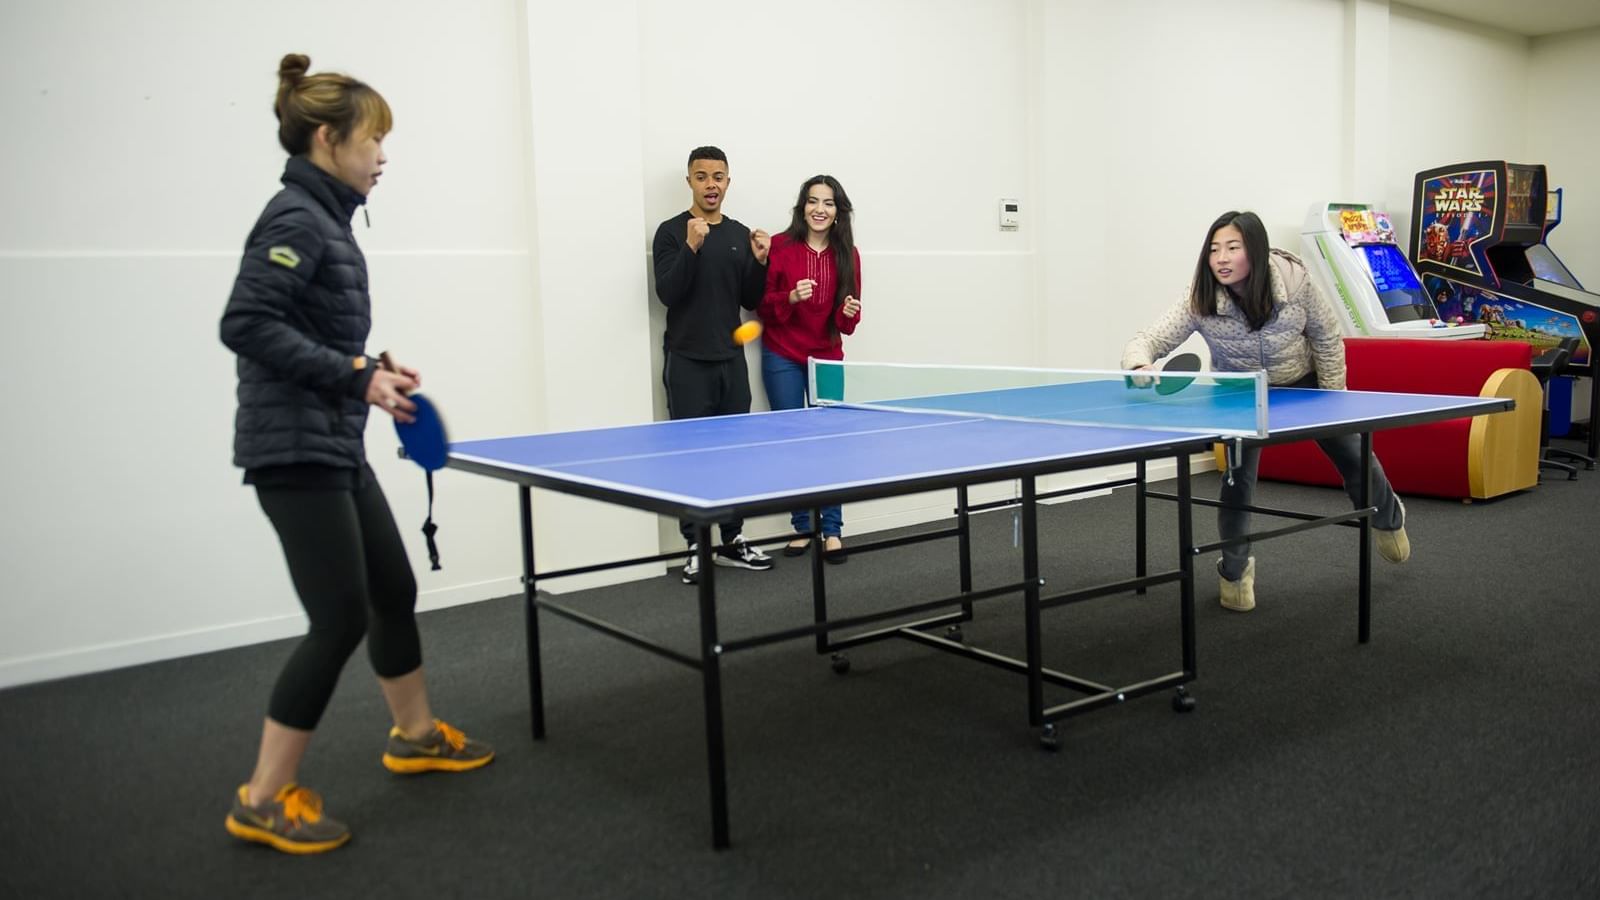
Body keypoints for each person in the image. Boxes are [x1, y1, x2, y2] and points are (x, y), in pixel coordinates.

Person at [218, 53, 492, 854]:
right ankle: (262, 797)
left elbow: (305, 331)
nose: (382, 156)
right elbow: (247, 324)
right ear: (328, 138)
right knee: (337, 617)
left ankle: (412, 735)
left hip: (331, 442)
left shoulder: (325, 220)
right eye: (372, 140)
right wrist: (352, 374)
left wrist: (371, 369)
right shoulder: (296, 218)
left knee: (391, 588)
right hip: (293, 453)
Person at [1121, 210, 1410, 613]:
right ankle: (1236, 573)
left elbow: (1327, 338)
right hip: (1240, 394)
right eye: (1214, 249)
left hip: (1304, 384)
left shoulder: (1295, 283)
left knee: (1355, 455)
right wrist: (1139, 364)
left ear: (1254, 252)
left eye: (1232, 248)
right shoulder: (1200, 298)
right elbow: (1149, 338)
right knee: (1237, 482)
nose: (1221, 258)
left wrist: (1335, 401)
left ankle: (1387, 516)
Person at [652, 146, 776, 584]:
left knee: (733, 460)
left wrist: (760, 263)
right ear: (689, 181)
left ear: (728, 182)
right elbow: (668, 292)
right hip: (686, 361)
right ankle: (695, 545)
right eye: (701, 176)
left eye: (718, 176)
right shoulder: (671, 232)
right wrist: (691, 246)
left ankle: (732, 539)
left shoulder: (740, 234)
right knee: (691, 461)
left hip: (731, 363)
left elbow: (751, 300)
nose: (710, 184)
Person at [759, 175, 863, 562]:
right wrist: (789, 295)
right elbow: (763, 306)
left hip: (827, 357)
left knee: (830, 443)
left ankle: (831, 529)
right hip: (781, 353)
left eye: (829, 203)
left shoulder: (847, 254)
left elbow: (847, 322)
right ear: (802, 206)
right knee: (792, 442)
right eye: (813, 201)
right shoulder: (780, 247)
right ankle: (804, 525)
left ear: (839, 211)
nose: (820, 209)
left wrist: (847, 311)